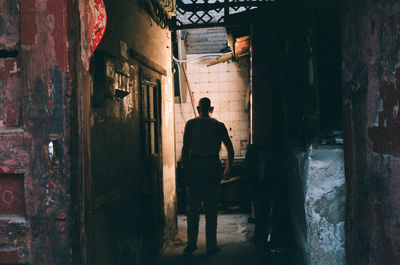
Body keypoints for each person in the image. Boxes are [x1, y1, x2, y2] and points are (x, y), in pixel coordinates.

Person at [181, 97, 234, 255]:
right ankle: (211, 245)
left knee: (193, 208)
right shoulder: (219, 125)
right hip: (212, 165)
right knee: (211, 208)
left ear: (198, 109)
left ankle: (192, 244)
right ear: (211, 109)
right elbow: (230, 150)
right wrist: (228, 168)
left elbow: (185, 150)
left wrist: (186, 170)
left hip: (196, 165)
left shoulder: (191, 124)